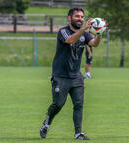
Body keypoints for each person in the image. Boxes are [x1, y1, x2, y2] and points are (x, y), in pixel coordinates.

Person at [40, 8, 104, 140]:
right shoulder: (63, 31)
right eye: (77, 16)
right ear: (70, 18)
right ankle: (47, 122)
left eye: (82, 17)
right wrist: (84, 29)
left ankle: (78, 133)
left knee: (79, 104)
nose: (80, 19)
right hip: (60, 76)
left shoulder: (85, 34)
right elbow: (70, 40)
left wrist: (99, 33)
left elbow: (94, 44)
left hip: (76, 76)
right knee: (58, 104)